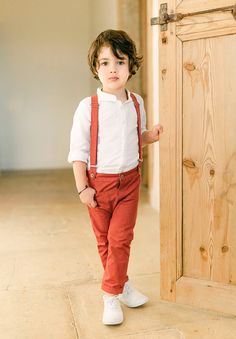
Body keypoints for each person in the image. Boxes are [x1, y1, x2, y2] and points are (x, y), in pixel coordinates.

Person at [68, 29, 163, 326]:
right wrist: (83, 188)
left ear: (130, 67)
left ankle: (110, 295)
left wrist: (150, 136)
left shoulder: (136, 102)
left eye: (120, 62)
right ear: (96, 69)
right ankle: (123, 286)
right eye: (105, 63)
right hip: (98, 184)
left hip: (130, 181)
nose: (113, 69)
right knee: (105, 242)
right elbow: (78, 151)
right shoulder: (88, 107)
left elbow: (135, 138)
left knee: (121, 239)